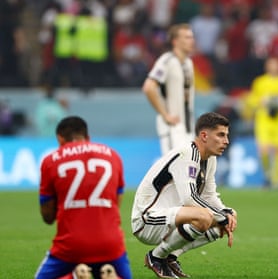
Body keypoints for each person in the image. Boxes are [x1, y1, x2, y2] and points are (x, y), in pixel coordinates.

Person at [131, 112, 237, 278]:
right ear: (204, 135)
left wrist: (226, 213)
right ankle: (156, 257)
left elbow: (209, 195)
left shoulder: (210, 159)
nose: (226, 141)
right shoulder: (188, 153)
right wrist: (221, 216)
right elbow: (189, 198)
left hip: (172, 216)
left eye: (227, 136)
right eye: (221, 135)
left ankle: (170, 257)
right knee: (205, 217)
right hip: (147, 220)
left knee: (227, 216)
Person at [35, 116, 132, 279]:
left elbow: (48, 217)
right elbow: (116, 201)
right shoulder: (113, 155)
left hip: (71, 246)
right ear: (87, 137)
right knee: (109, 269)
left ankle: (74, 275)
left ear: (60, 138)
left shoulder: (50, 161)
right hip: (110, 245)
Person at [142, 23, 196, 155]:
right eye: (187, 37)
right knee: (174, 170)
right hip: (173, 128)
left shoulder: (189, 63)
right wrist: (166, 115)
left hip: (188, 127)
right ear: (175, 41)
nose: (192, 41)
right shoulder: (167, 60)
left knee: (187, 172)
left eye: (192, 37)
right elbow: (149, 87)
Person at [245, 57, 278, 188]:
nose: (274, 67)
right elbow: (251, 100)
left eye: (276, 65)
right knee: (264, 149)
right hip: (264, 119)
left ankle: (277, 181)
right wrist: (261, 101)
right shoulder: (260, 82)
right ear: (267, 67)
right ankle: (268, 174)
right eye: (271, 65)